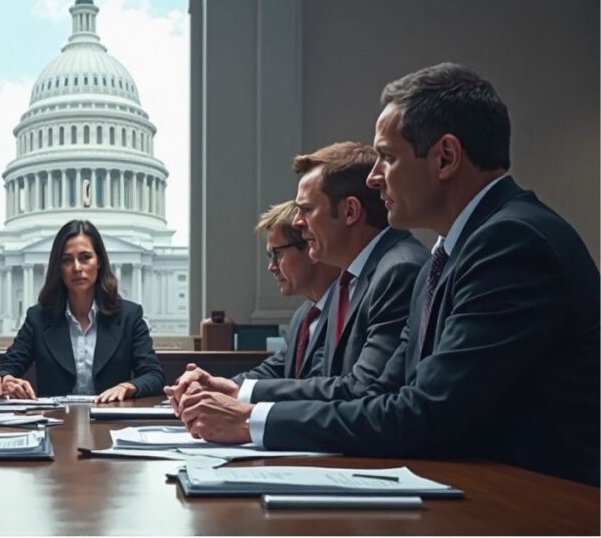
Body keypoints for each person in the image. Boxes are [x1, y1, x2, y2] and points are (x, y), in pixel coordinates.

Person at [180, 62, 600, 486]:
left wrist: (253, 420)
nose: (374, 178)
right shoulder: (445, 256)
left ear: (446, 158)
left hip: (540, 508)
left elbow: (427, 413)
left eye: (387, 157)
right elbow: (381, 395)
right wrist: (251, 414)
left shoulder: (511, 242)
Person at [169, 142, 428, 408]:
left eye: (306, 209)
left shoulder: (398, 270)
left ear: (350, 211)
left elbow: (364, 390)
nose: (297, 221)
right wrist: (228, 388)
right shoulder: (349, 282)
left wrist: (247, 414)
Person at [165, 201, 340, 401]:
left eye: (276, 254)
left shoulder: (346, 308)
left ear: (311, 246)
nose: (271, 267)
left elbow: (321, 390)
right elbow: (275, 369)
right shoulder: (304, 314)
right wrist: (216, 385)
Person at [0, 220, 165, 400]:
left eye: (85, 258)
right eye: (67, 260)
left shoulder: (129, 316)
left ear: (99, 261)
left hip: (111, 421)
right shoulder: (38, 318)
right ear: (58, 267)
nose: (77, 268)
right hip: (56, 421)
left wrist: (127, 387)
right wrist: (7, 380)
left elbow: (154, 375)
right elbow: (6, 367)